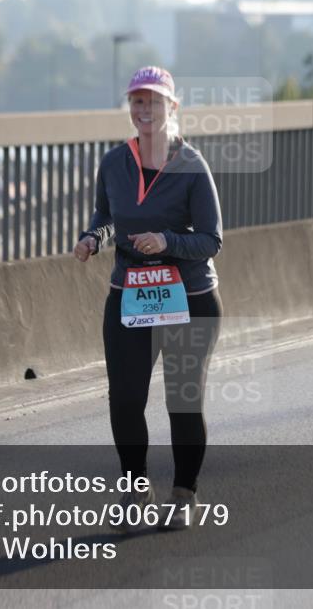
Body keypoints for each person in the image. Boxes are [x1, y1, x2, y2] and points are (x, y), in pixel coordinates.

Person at [74, 66, 223, 531]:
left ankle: (184, 492)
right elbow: (106, 217)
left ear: (172, 107)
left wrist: (167, 241)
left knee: (183, 401)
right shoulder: (113, 163)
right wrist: (93, 239)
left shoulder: (192, 166)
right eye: (137, 101)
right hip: (130, 296)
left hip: (189, 297)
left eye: (154, 101)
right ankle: (136, 489)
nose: (144, 110)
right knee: (124, 399)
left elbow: (212, 240)